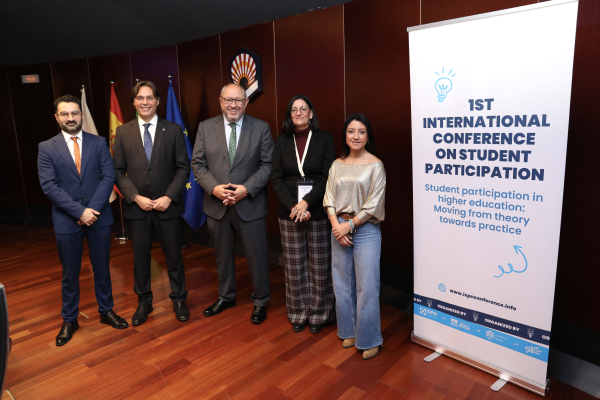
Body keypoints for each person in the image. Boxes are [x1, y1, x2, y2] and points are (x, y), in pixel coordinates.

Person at [38, 94, 129, 347]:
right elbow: (49, 187)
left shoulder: (98, 142)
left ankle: (106, 311)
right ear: (57, 117)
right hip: (67, 221)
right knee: (70, 273)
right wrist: (79, 212)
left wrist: (91, 210)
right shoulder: (46, 148)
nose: (70, 118)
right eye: (64, 114)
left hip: (99, 217)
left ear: (81, 114)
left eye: (75, 113)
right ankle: (69, 319)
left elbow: (107, 176)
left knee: (103, 268)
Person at [192, 83, 273, 324]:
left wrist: (246, 189)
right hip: (217, 204)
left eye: (239, 100)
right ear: (220, 101)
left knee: (257, 256)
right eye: (229, 100)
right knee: (222, 256)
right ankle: (226, 296)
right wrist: (214, 188)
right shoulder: (206, 128)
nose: (233, 105)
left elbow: (267, 165)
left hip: (250, 204)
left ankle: (260, 301)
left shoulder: (261, 128)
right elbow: (197, 163)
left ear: (246, 103)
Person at [113, 81, 191, 325]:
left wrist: (168, 197)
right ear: (134, 102)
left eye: (149, 98)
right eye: (140, 98)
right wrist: (135, 197)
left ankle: (179, 299)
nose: (145, 102)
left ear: (158, 101)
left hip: (167, 206)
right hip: (138, 208)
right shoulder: (123, 132)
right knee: (140, 259)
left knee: (174, 258)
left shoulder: (174, 130)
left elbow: (183, 168)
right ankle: (144, 302)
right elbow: (118, 171)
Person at [323, 113, 386, 360]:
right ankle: (348, 331)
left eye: (361, 131)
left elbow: (374, 203)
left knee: (367, 285)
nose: (356, 136)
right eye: (351, 131)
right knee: (341, 282)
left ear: (368, 137)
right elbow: (328, 198)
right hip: (338, 226)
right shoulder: (337, 164)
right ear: (345, 135)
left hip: (366, 228)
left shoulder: (376, 165)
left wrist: (350, 226)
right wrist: (336, 226)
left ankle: (370, 339)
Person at [271, 95, 336, 334]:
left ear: (311, 113)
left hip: (318, 211)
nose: (298, 113)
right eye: (293, 110)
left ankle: (320, 313)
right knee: (294, 265)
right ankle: (298, 312)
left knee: (320, 265)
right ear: (290, 115)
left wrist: (306, 203)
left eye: (303, 109)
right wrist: (293, 206)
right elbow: (276, 178)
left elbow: (328, 176)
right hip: (289, 212)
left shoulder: (325, 139)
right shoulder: (281, 141)